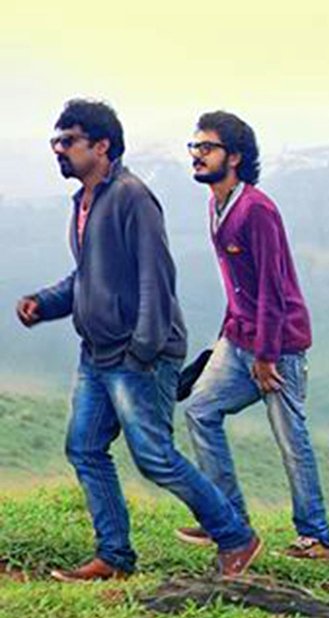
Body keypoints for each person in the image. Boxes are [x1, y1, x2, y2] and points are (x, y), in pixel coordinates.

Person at [15, 99, 260, 582]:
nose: (59, 150)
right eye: (55, 141)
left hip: (137, 354)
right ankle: (114, 556)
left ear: (101, 146)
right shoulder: (84, 202)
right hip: (97, 352)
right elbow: (88, 276)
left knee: (154, 456)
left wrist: (143, 350)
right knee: (84, 447)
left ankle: (235, 536)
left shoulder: (132, 197)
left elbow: (156, 278)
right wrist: (44, 303)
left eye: (69, 141)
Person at [177, 110, 329, 560]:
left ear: (235, 157)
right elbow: (238, 286)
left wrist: (265, 355)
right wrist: (221, 340)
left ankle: (316, 537)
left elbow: (272, 288)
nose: (198, 155)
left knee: (290, 438)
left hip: (278, 346)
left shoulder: (257, 210)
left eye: (208, 148)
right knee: (200, 411)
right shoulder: (216, 206)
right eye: (195, 146)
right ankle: (228, 521)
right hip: (238, 339)